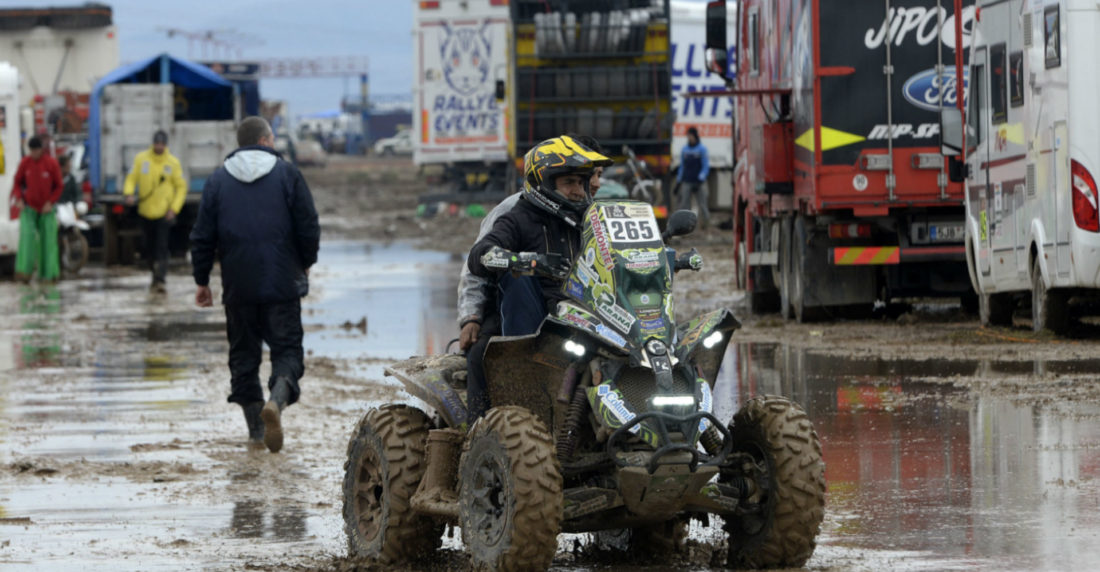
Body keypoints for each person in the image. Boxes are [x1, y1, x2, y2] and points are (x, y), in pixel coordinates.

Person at [190, 116, 320, 453]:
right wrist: (305, 262)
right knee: (287, 350)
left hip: (238, 286)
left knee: (244, 358)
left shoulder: (218, 180)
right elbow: (308, 224)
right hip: (281, 283)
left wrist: (202, 280)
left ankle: (257, 434)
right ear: (264, 140)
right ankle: (276, 400)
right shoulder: (288, 174)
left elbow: (202, 235)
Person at [457, 136, 606, 419]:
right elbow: (477, 259)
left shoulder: (592, 216)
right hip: (521, 310)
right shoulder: (514, 213)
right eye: (571, 182)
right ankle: (476, 433)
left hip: (579, 312)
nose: (585, 188)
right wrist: (470, 317)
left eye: (588, 180)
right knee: (481, 354)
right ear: (547, 183)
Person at [124, 130, 187, 294]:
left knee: (161, 246)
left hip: (164, 213)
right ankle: (153, 272)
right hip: (145, 212)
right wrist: (129, 193)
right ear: (153, 143)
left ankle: (160, 279)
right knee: (148, 247)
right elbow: (131, 178)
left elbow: (181, 187)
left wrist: (174, 209)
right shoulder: (141, 159)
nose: (159, 146)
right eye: (157, 143)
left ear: (165, 145)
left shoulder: (172, 163)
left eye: (162, 144)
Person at [11, 136, 63, 283]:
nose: (34, 153)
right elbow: (17, 183)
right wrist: (19, 198)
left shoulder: (51, 164)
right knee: (26, 239)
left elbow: (59, 186)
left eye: (36, 150)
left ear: (41, 150)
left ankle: (49, 275)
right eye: (32, 150)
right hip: (29, 209)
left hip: (46, 209)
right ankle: (23, 274)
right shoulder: (25, 163)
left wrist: (51, 202)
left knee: (48, 242)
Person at [677, 126, 711, 228]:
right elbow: (682, 166)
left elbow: (705, 166)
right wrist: (679, 180)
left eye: (691, 136)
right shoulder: (685, 150)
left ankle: (705, 224)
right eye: (688, 136)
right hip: (687, 181)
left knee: (702, 204)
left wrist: (701, 178)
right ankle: (685, 225)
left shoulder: (702, 149)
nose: (689, 138)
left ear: (695, 136)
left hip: (699, 182)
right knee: (684, 205)